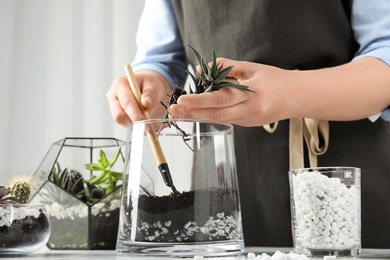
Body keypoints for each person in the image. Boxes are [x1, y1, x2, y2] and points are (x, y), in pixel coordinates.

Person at [107, 0, 390, 248]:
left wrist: (292, 92)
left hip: (348, 180)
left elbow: (385, 50)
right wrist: (150, 86)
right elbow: (161, 60)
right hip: (225, 181)